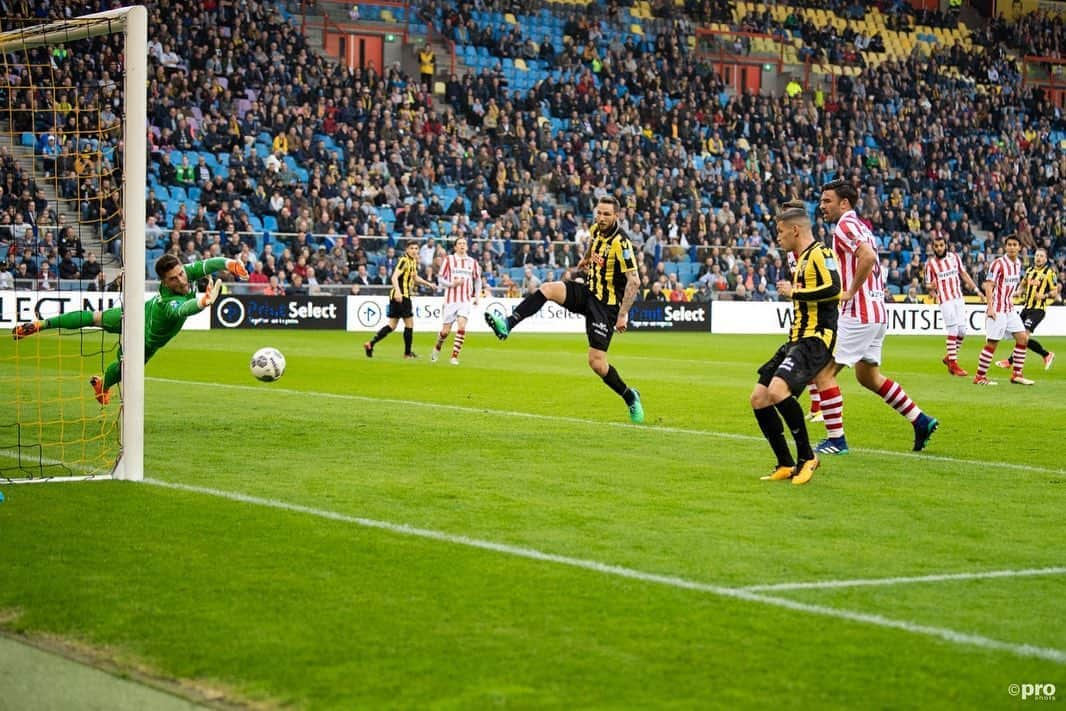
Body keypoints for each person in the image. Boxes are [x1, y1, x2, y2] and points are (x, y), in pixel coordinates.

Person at [484, 196, 644, 423]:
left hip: (605, 307)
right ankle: (508, 324)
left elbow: (634, 281)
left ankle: (630, 396)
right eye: (599, 212)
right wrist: (586, 259)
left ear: (616, 216)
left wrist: (622, 314)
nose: (601, 217)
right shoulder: (596, 229)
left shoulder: (622, 243)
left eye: (607, 214)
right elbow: (593, 243)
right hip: (587, 292)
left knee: (597, 363)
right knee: (547, 288)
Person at [12, 254, 248, 404]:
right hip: (142, 339)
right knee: (127, 368)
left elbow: (212, 262)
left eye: (181, 274)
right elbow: (183, 310)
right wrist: (202, 302)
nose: (182, 280)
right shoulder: (168, 303)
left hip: (136, 312)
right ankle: (102, 384)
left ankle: (41, 324)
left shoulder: (185, 272)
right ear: (164, 283)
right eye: (174, 279)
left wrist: (231, 265)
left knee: (95, 317)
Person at [816, 180, 939, 454]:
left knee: (822, 374)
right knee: (868, 377)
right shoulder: (862, 227)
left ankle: (836, 441)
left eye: (827, 201)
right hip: (876, 312)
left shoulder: (845, 226)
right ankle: (921, 421)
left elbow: (869, 257)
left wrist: (849, 291)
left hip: (858, 312)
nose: (822, 206)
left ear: (844, 203)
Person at [753, 204, 841, 485]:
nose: (777, 237)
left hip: (816, 338)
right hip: (796, 338)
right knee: (759, 397)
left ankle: (808, 458)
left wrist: (796, 292)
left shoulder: (821, 253)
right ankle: (784, 463)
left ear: (795, 229)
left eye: (780, 232)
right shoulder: (800, 259)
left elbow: (833, 289)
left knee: (778, 390)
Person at [973, 234, 1035, 386]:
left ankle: (1017, 375)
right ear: (1005, 247)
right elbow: (988, 285)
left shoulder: (1018, 264)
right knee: (992, 343)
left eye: (1015, 245)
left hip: (1009, 308)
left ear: (1020, 247)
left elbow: (1013, 284)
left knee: (1023, 338)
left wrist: (1019, 291)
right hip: (997, 309)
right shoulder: (998, 264)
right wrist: (990, 308)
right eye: (1010, 245)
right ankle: (980, 377)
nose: (1012, 247)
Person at [363, 240, 436, 359]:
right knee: (409, 323)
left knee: (392, 325)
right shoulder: (404, 260)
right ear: (407, 250)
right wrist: (398, 291)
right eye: (411, 248)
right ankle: (407, 353)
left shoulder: (412, 261)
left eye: (416, 248)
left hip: (399, 296)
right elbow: (394, 277)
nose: (414, 250)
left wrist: (428, 284)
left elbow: (415, 277)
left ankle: (371, 344)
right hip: (402, 296)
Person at [924, 236, 980, 376]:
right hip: (945, 299)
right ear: (933, 247)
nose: (939, 248)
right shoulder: (930, 264)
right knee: (953, 330)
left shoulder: (954, 257)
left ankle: (949, 358)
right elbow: (927, 284)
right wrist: (932, 288)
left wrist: (976, 290)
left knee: (962, 331)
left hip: (958, 297)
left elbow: (964, 274)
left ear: (945, 245)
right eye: (936, 246)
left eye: (941, 245)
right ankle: (954, 365)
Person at [996, 247, 1058, 372]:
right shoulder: (1029, 271)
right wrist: (1018, 291)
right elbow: (1023, 285)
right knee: (1019, 336)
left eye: (1041, 256)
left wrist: (1044, 295)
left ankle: (1010, 361)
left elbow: (1055, 291)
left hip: (1038, 310)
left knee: (1023, 336)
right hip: (1026, 308)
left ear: (1045, 259)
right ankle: (1046, 354)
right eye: (1036, 256)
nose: (1038, 258)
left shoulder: (1049, 273)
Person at [431, 236, 482, 365]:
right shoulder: (449, 260)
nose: (462, 245)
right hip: (451, 300)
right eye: (459, 243)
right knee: (445, 332)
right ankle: (438, 346)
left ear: (467, 246)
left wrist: (477, 297)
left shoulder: (472, 262)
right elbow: (440, 279)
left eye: (464, 243)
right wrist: (452, 284)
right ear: (455, 247)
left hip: (465, 299)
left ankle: (454, 356)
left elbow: (477, 279)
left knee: (462, 325)